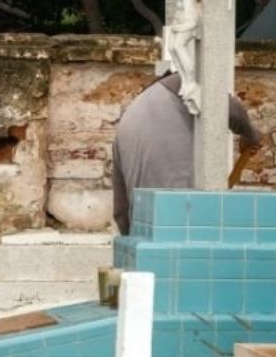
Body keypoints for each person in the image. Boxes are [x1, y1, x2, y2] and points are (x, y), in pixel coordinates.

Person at [112, 71, 263, 235]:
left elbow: (121, 209)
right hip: (161, 139)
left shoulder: (138, 106)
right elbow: (231, 108)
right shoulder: (185, 83)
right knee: (181, 222)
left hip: (128, 130)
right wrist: (250, 135)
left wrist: (130, 244)